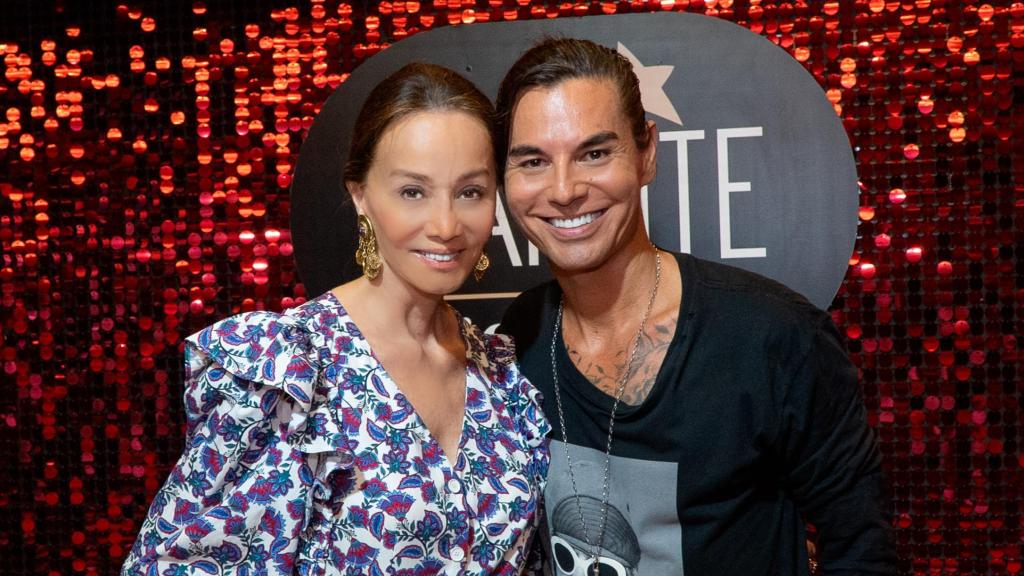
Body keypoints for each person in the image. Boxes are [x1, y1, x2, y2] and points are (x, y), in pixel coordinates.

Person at [123, 62, 550, 576]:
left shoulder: (501, 373)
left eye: (470, 192)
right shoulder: (289, 372)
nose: (445, 225)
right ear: (361, 195)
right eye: (412, 191)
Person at [495, 38, 896, 575]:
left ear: (646, 154)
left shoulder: (774, 337)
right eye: (534, 161)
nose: (565, 190)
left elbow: (862, 551)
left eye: (595, 153)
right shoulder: (516, 338)